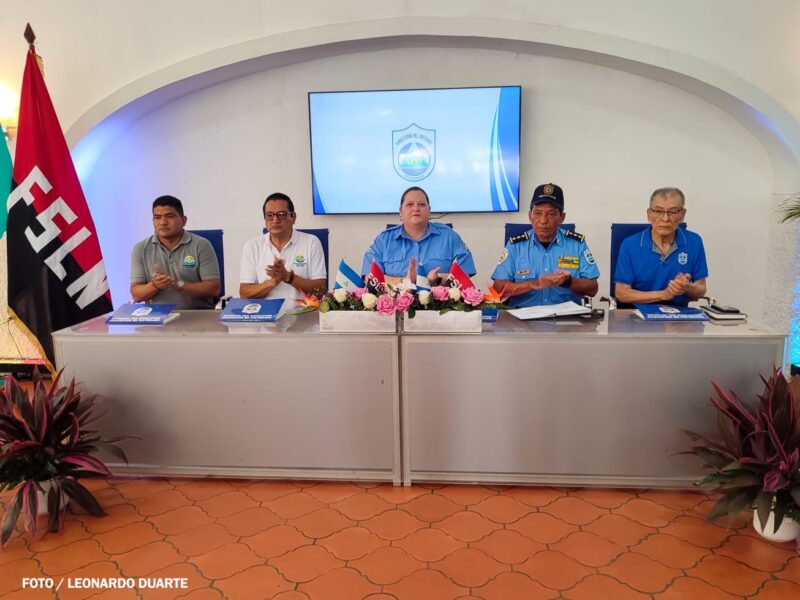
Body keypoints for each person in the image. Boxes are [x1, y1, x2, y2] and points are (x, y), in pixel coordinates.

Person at [492, 183, 599, 307]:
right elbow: (498, 288)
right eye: (537, 213)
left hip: (566, 316)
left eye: (551, 214)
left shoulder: (577, 244)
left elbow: (593, 289)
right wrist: (533, 284)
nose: (543, 221)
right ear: (530, 216)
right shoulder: (516, 246)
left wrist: (568, 281)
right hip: (523, 316)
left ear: (562, 217)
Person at [361, 186, 476, 286]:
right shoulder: (383, 240)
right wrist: (405, 282)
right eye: (409, 204)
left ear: (429, 211)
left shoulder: (449, 237)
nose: (416, 208)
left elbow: (465, 275)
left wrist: (438, 278)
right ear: (400, 212)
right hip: (395, 303)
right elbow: (370, 278)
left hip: (441, 304)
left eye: (421, 204)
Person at [614, 187, 707, 306]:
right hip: (637, 313)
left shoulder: (694, 241)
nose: (665, 219)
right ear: (649, 214)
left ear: (682, 215)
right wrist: (664, 294)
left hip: (679, 314)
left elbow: (701, 287)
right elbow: (621, 293)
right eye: (658, 211)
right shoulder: (630, 245)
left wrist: (686, 287)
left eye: (673, 212)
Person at [130, 196, 221, 309]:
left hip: (197, 314)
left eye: (170, 216)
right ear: (153, 221)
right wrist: (155, 286)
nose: (163, 222)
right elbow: (136, 295)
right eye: (157, 217)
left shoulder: (201, 245)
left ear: (183, 220)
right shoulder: (140, 249)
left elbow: (214, 289)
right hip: (158, 316)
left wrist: (179, 285)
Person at [239, 192, 326, 301]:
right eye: (269, 215)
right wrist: (272, 282)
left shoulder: (311, 242)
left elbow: (321, 290)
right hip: (264, 311)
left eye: (281, 214)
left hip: (301, 310)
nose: (275, 220)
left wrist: (289, 277)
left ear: (293, 217)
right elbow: (244, 293)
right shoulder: (252, 246)